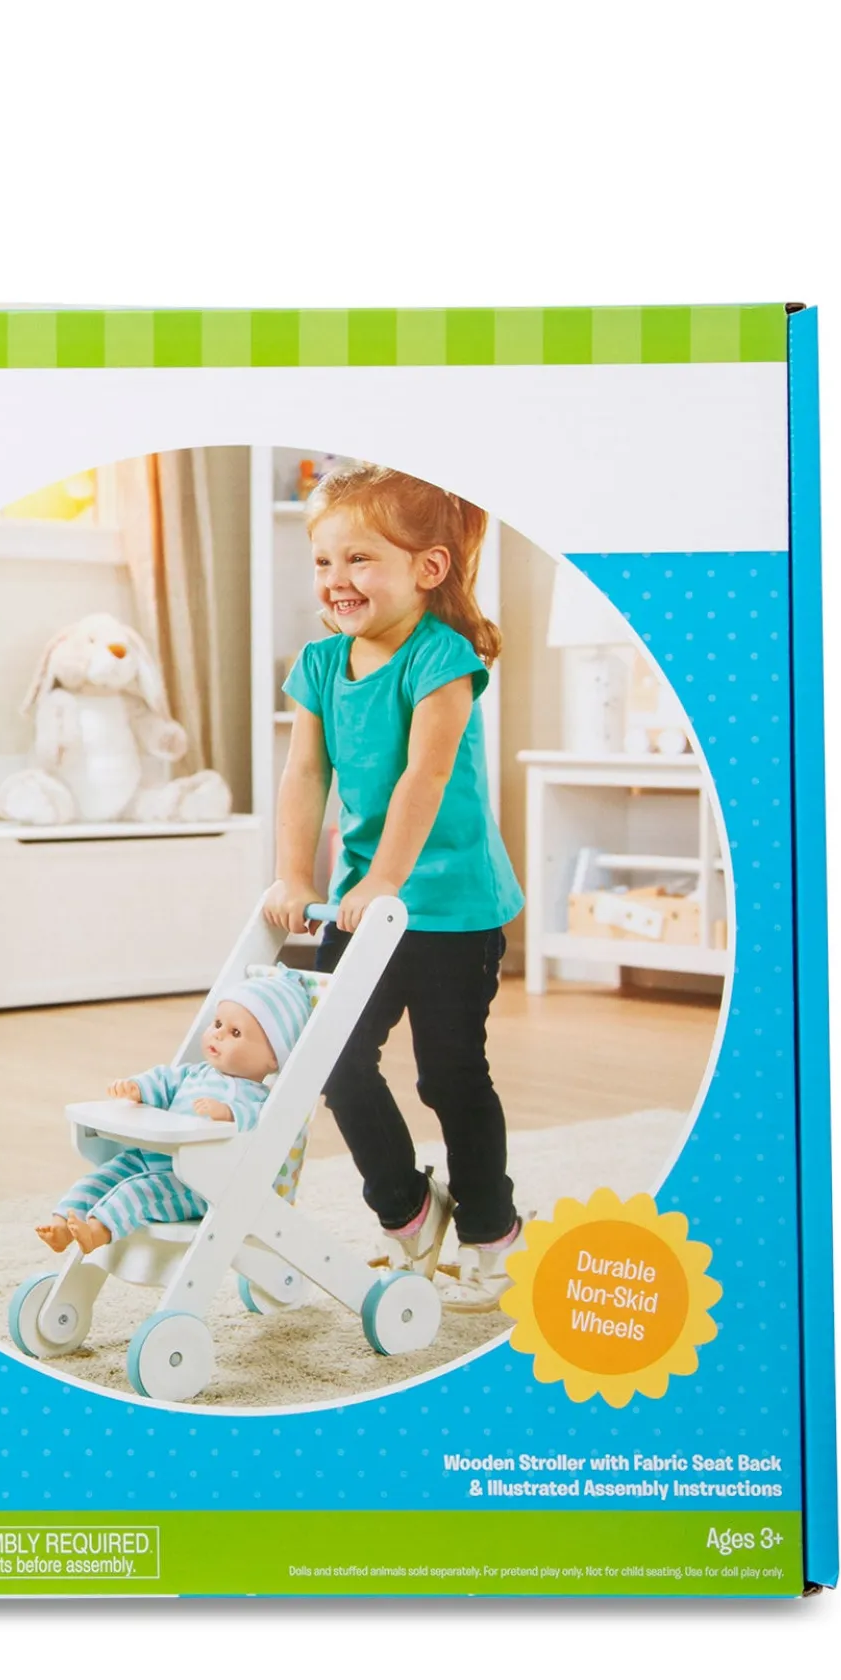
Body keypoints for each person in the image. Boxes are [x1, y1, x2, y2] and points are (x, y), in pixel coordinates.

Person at [262, 462, 525, 1311]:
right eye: (323, 562)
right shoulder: (319, 664)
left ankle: (491, 1230)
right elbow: (305, 776)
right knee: (333, 1062)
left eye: (360, 559)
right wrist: (295, 874)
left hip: (452, 909)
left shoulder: (441, 659)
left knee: (451, 1075)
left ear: (428, 568)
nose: (336, 579)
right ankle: (408, 1212)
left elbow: (425, 776)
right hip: (360, 907)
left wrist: (385, 877)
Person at [35, 972, 312, 1254]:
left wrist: (228, 1113)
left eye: (235, 1033)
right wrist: (138, 1088)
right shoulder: (195, 1073)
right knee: (100, 1179)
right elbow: (163, 1080)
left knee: (137, 1194)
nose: (218, 1034)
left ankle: (97, 1231)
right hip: (149, 1158)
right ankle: (61, 1226)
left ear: (273, 1057)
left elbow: (260, 1120)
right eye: (217, 1024)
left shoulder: (258, 1096)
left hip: (198, 1183)